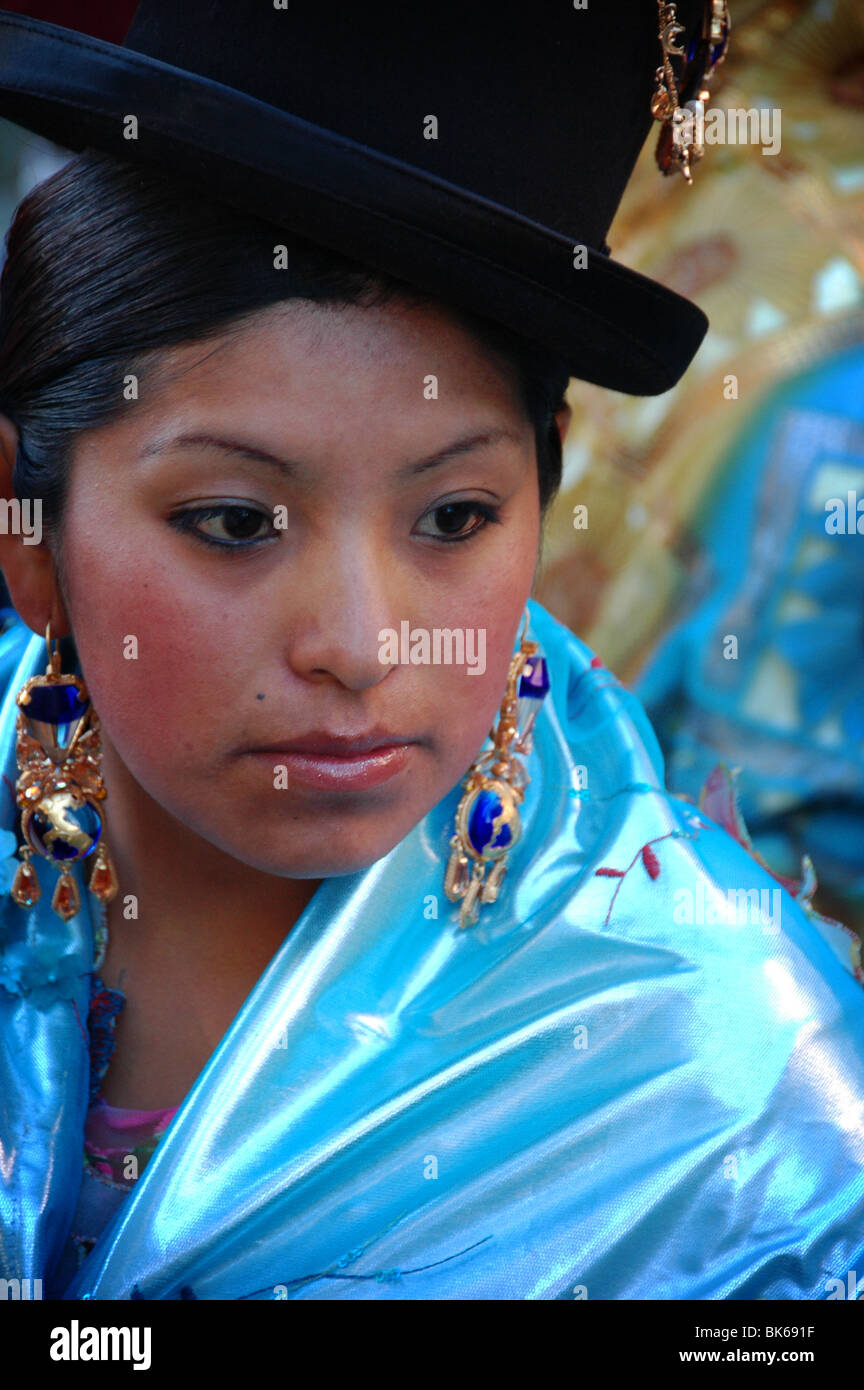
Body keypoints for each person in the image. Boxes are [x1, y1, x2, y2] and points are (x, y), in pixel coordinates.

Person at [0, 0, 862, 1302]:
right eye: (234, 521)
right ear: (25, 532)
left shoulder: (733, 1116)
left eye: (455, 517)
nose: (360, 642)